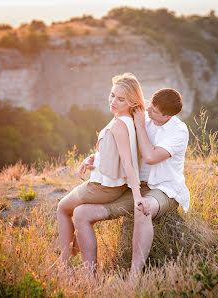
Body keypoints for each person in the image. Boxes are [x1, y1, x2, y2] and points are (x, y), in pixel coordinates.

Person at [72, 88, 190, 276]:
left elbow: (150, 157)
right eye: (150, 104)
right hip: (135, 186)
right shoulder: (146, 116)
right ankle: (90, 279)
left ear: (167, 116)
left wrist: (140, 126)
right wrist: (95, 157)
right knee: (80, 213)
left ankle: (134, 278)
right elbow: (120, 146)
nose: (148, 110)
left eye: (154, 110)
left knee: (142, 209)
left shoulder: (178, 131)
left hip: (164, 189)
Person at [56, 73, 146, 269]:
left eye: (121, 99)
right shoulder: (128, 120)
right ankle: (71, 258)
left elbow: (128, 163)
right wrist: (93, 158)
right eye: (112, 95)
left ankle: (64, 266)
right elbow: (114, 152)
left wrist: (137, 195)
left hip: (102, 188)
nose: (113, 101)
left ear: (132, 102)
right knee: (78, 214)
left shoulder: (120, 125)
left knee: (63, 208)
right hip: (109, 185)